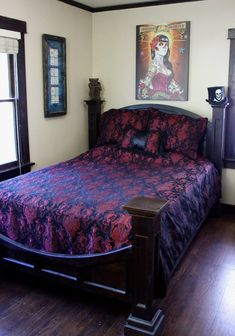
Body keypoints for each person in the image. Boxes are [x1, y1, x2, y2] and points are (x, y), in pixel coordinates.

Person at [138, 34, 183, 100]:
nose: (165, 47)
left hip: (166, 97)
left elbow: (170, 82)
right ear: (154, 47)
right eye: (161, 44)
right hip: (157, 96)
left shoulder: (166, 65)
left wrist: (176, 91)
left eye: (166, 45)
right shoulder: (154, 64)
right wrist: (143, 85)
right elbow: (148, 78)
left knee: (179, 98)